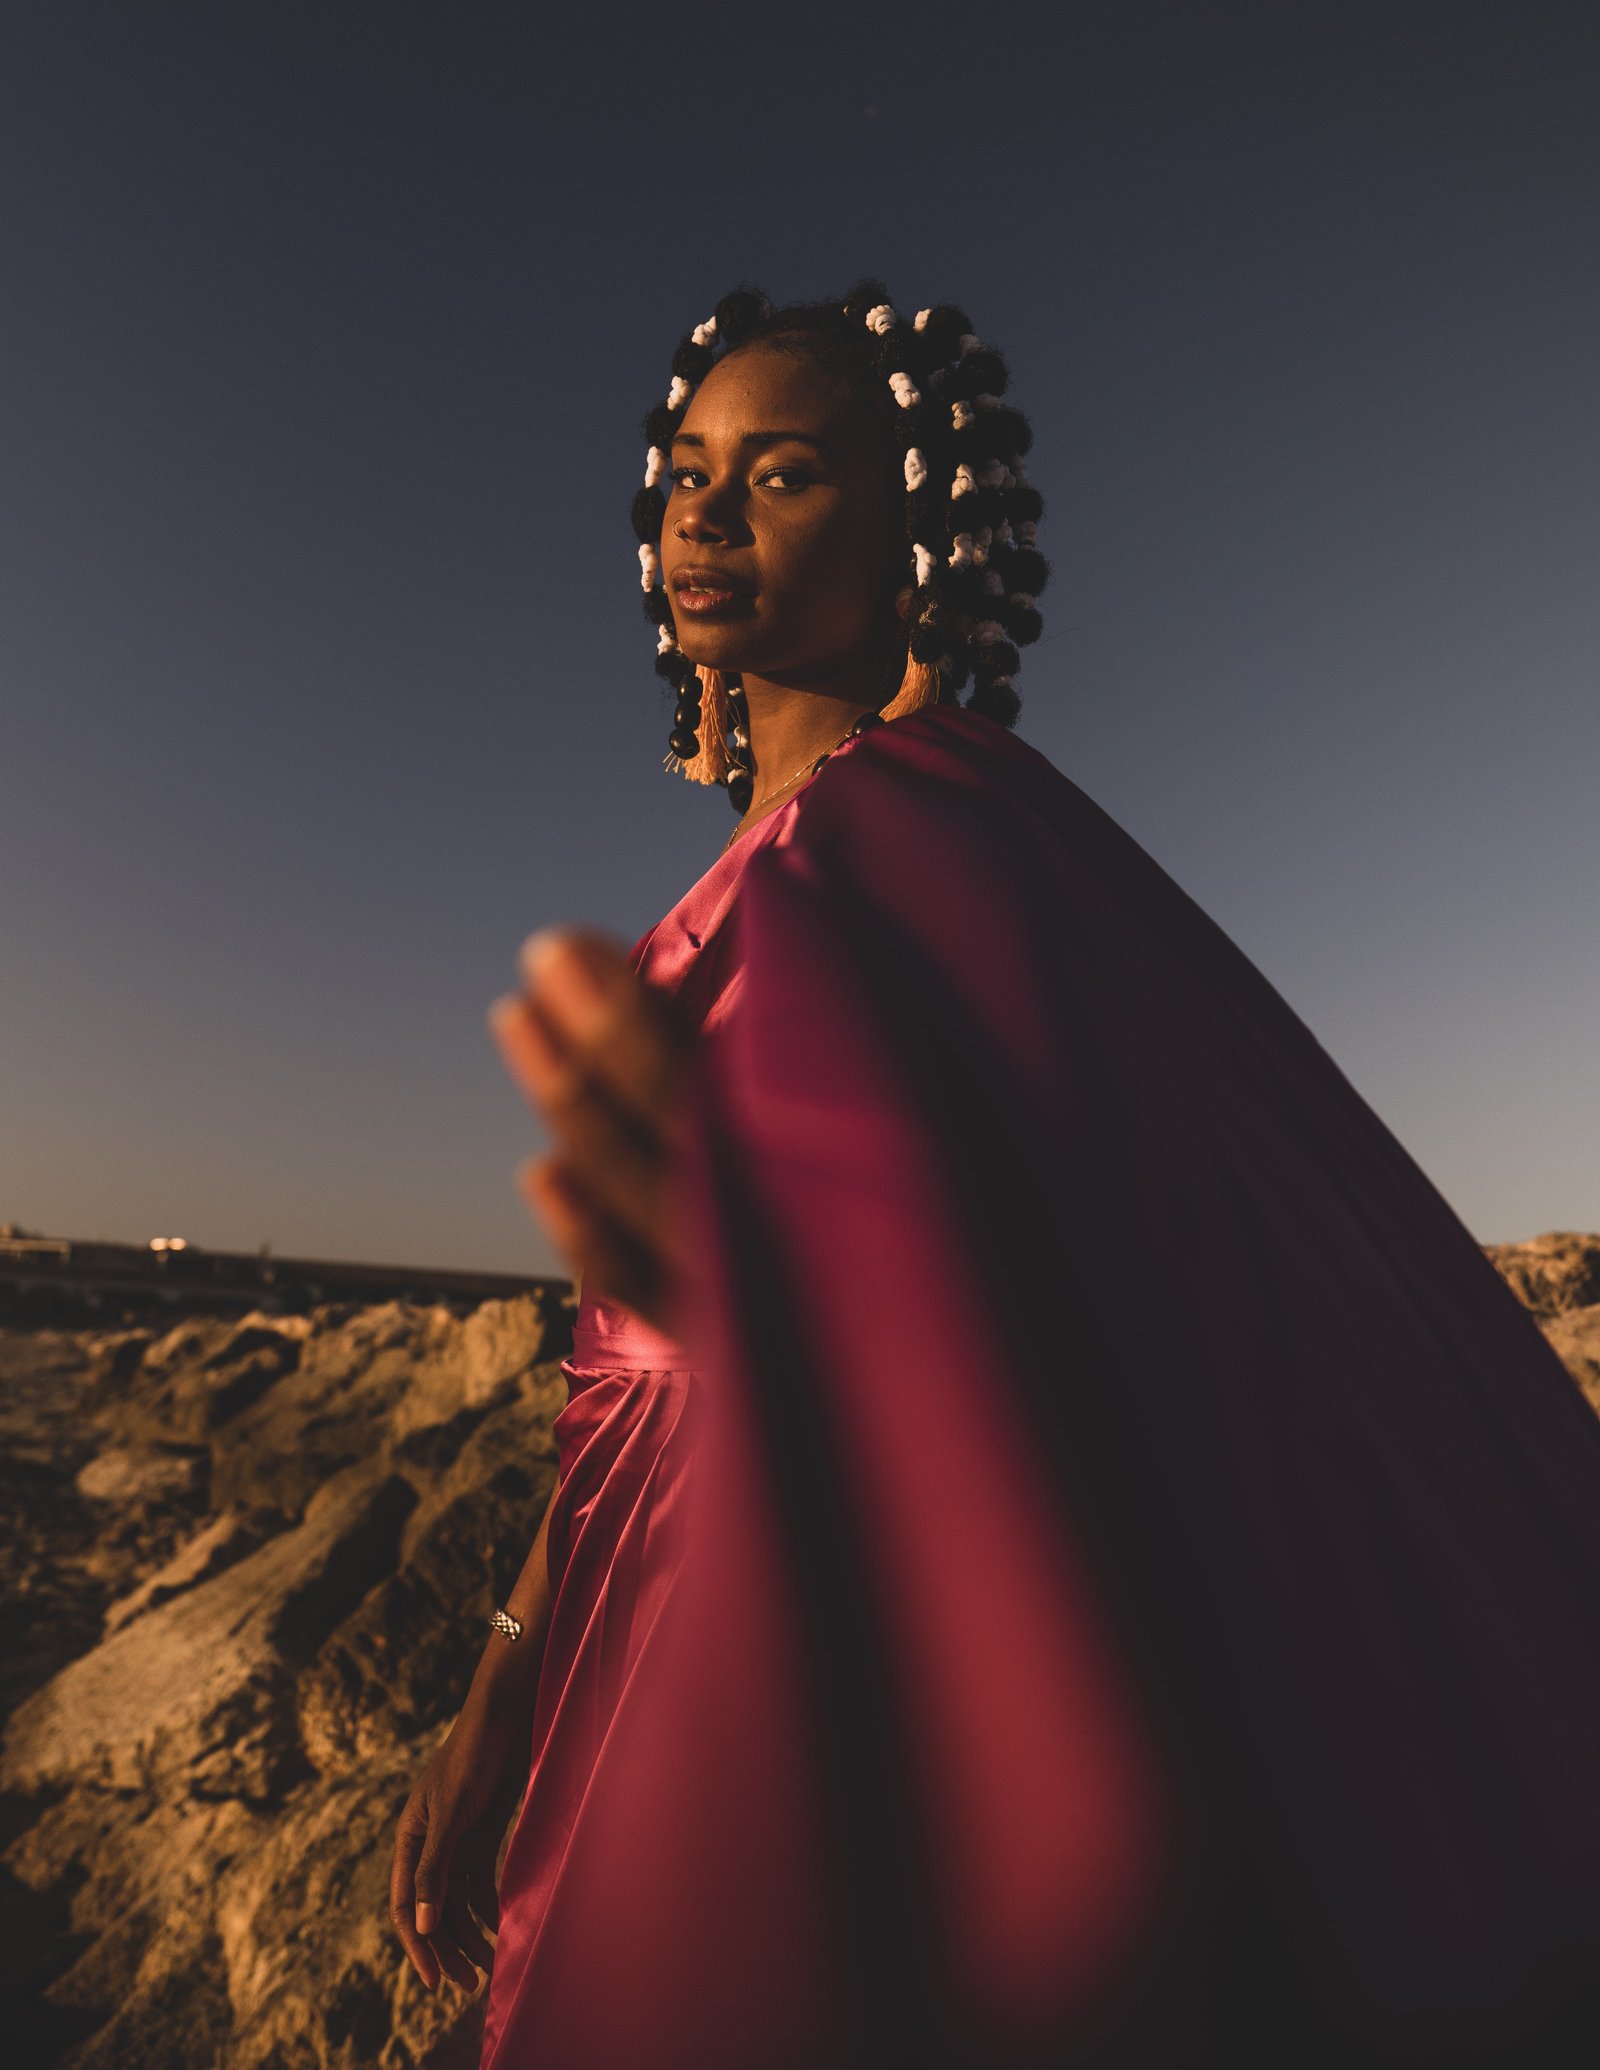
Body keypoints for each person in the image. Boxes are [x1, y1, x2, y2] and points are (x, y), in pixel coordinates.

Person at [392, 285, 1600, 2068]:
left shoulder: (918, 840)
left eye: (785, 473)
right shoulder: (750, 887)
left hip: (797, 1666)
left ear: (910, 544)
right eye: (690, 472)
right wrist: (506, 1683)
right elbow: (620, 1394)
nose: (709, 513)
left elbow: (1005, 1334)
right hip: (628, 1626)